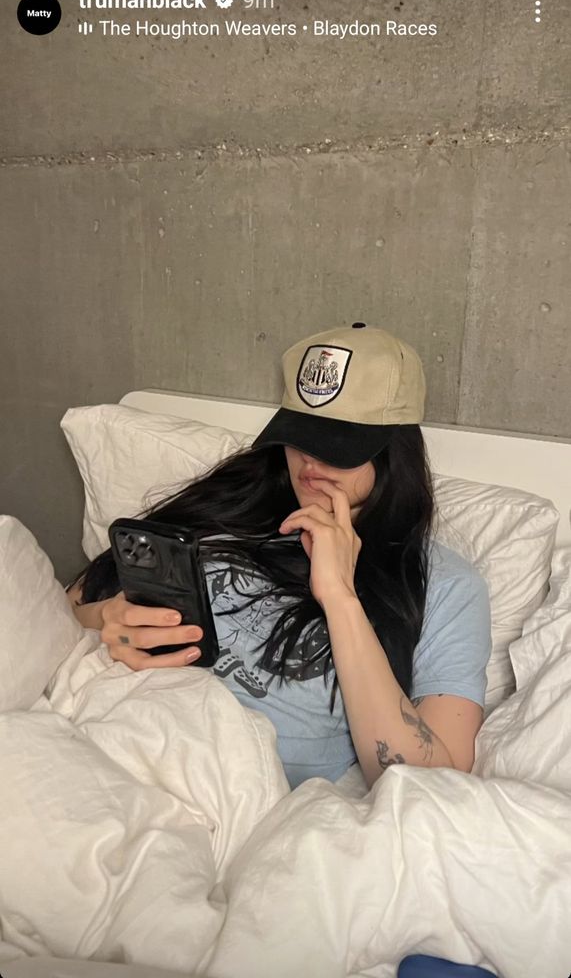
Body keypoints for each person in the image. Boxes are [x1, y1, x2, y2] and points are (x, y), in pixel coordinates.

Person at [66, 323, 492, 791]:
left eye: (338, 446)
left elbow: (430, 788)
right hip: (98, 722)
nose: (309, 463)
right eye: (300, 436)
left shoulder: (444, 584)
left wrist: (340, 597)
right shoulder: (237, 501)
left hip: (218, 782)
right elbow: (66, 610)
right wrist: (106, 617)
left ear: (395, 452)